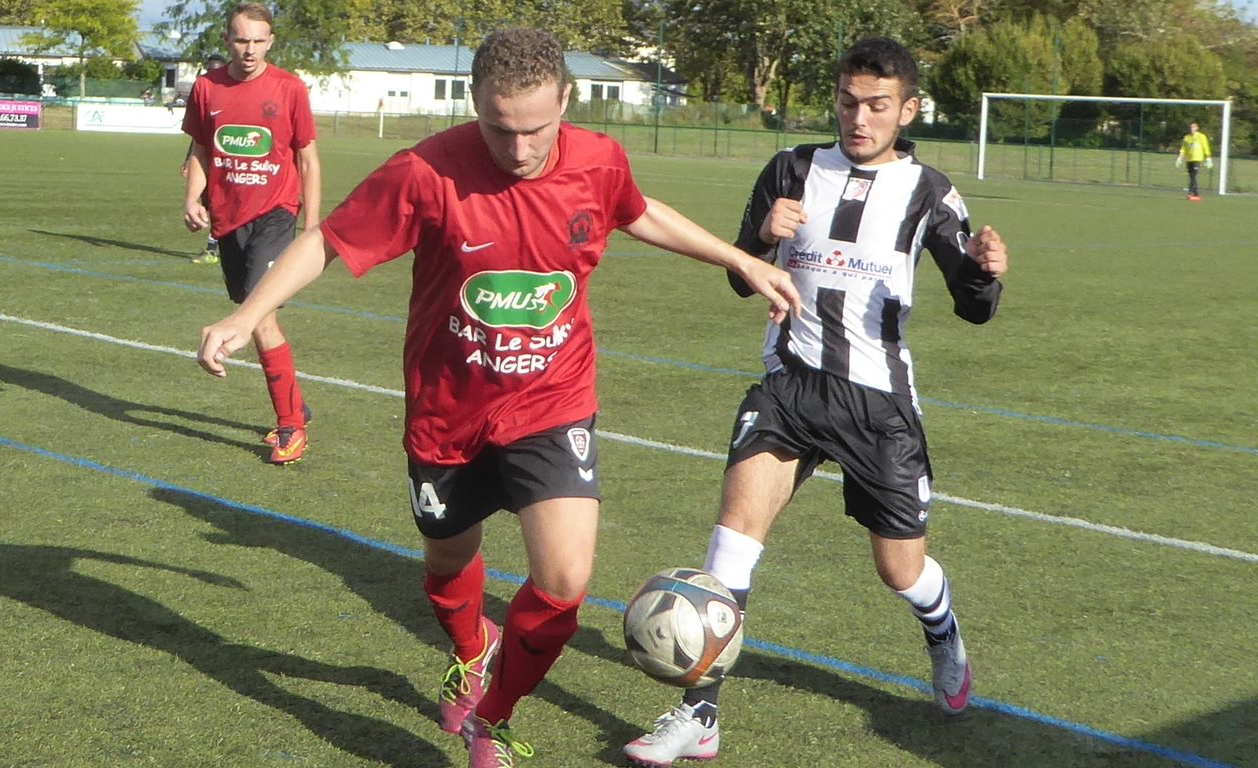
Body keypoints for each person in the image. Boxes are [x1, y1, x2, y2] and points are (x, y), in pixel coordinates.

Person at [195, 27, 800, 768]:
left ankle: (494, 717)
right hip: (447, 410)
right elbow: (326, 241)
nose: (518, 149)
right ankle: (468, 647)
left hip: (553, 399)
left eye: (537, 129)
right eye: (498, 128)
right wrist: (245, 314)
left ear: (567, 103)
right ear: (474, 103)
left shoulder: (598, 160)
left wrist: (740, 257)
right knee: (449, 560)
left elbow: (636, 211)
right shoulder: (427, 170)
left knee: (566, 580)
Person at [623, 37, 1010, 766]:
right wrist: (763, 240)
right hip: (790, 387)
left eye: (876, 106)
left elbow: (974, 305)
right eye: (846, 102)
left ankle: (942, 630)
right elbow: (743, 277)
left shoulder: (929, 189)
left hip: (877, 403)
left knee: (899, 569)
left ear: (907, 109)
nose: (858, 118)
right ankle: (698, 715)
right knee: (731, 544)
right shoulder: (791, 168)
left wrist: (987, 272)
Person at [182, 3, 320, 465]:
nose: (250, 49)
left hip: (277, 215)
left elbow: (308, 159)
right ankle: (295, 405)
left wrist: (312, 227)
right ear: (228, 41)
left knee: (259, 317)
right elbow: (202, 148)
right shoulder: (206, 88)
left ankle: (291, 426)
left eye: (259, 41)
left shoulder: (289, 88)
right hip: (229, 220)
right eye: (242, 40)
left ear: (271, 41)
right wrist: (192, 197)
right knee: (254, 313)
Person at [182, 52, 228, 265]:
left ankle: (213, 250)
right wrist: (188, 161)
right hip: (206, 163)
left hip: (226, 164)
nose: (211, 73)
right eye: (209, 69)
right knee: (209, 204)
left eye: (215, 69)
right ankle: (214, 248)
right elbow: (198, 138)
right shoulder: (204, 91)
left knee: (218, 206)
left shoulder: (227, 93)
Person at [1176, 121, 1213, 201]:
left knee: (1193, 176)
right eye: (1190, 127)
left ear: (1196, 128)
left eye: (1193, 127)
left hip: (1197, 159)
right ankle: (1196, 194)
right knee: (1191, 176)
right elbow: (1183, 149)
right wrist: (1179, 158)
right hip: (1189, 159)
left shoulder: (1201, 136)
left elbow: (1206, 148)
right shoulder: (1187, 137)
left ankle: (1190, 192)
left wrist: (1208, 159)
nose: (1191, 129)